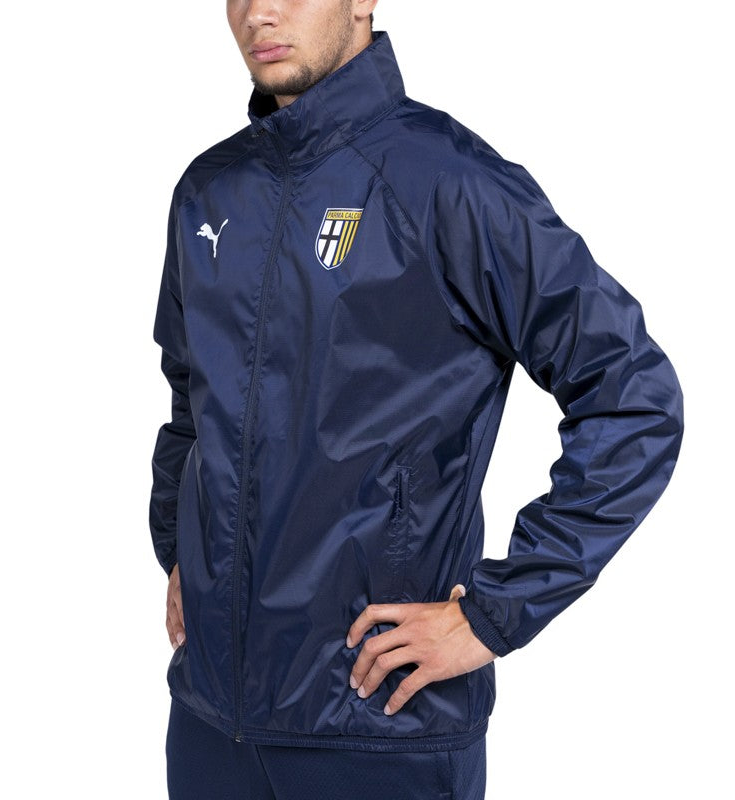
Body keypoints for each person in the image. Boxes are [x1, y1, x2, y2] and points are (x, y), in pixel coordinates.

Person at [149, 2, 684, 797]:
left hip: (380, 728)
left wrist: (494, 615)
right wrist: (181, 552)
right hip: (209, 724)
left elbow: (634, 396)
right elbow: (191, 402)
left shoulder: (447, 182)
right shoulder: (209, 191)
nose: (259, 12)